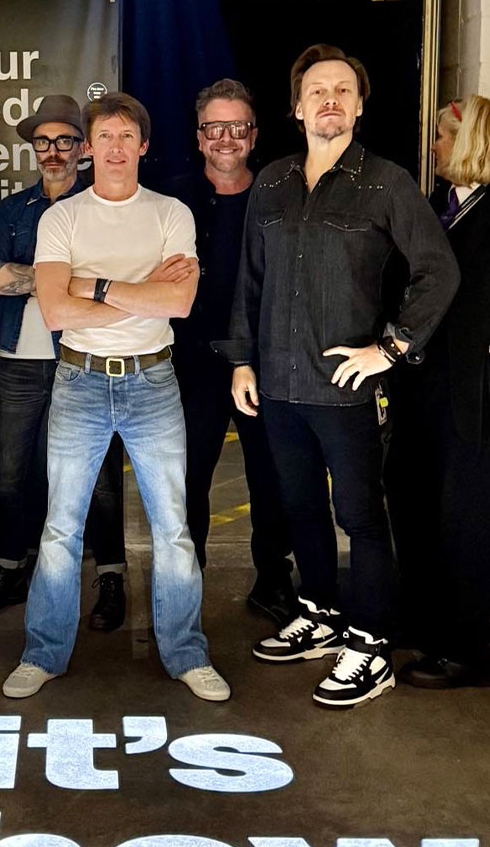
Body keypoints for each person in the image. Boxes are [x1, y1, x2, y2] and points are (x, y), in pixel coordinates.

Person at [224, 44, 459, 707]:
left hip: (344, 389)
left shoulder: (385, 182)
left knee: (358, 513)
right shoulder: (269, 181)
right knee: (298, 506)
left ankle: (371, 642)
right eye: (318, 90)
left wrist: (390, 349)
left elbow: (438, 271)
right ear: (296, 107)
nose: (331, 99)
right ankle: (320, 614)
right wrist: (242, 358)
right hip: (276, 382)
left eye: (344, 90)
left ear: (359, 105)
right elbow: (250, 279)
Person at [2, 92, 230, 702]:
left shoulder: (170, 214)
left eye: (127, 136)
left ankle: (185, 652)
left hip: (153, 380)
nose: (116, 147)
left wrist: (95, 284)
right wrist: (139, 289)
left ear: (144, 145)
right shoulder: (62, 219)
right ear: (87, 148)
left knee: (173, 529)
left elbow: (177, 304)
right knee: (60, 528)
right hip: (78, 381)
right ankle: (43, 653)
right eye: (104, 137)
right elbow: (53, 309)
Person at [0, 95, 126, 630]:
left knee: (102, 480)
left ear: (83, 148)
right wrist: (63, 283)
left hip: (83, 359)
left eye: (65, 140)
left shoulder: (103, 204)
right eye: (44, 142)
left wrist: (35, 281)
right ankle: (10, 568)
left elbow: (116, 289)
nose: (54, 151)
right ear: (33, 149)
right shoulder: (16, 210)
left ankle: (111, 579)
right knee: (15, 474)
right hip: (19, 359)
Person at [165, 79, 294, 624]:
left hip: (263, 363)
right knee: (189, 478)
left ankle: (273, 580)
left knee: (271, 477)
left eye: (235, 127)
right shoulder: (172, 201)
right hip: (192, 361)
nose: (225, 138)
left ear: (253, 135)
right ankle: (185, 591)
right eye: (214, 128)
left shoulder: (281, 197)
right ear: (199, 137)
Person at [386, 96, 490, 688]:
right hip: (423, 388)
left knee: (465, 520)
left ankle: (468, 648)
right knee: (411, 498)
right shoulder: (436, 208)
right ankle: (424, 621)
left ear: (471, 140)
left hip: (472, 398)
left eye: (443, 137)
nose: (434, 148)